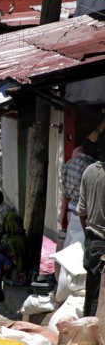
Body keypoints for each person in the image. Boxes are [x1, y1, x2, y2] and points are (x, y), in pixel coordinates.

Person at [78, 131, 105, 317]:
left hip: (93, 241)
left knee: (93, 293)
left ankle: (88, 332)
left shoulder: (89, 172)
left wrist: (88, 234)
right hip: (99, 241)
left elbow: (82, 212)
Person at [61, 138, 98, 248]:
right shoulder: (93, 167)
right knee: (82, 249)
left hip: (72, 210)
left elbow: (65, 194)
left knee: (71, 248)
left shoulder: (69, 163)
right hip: (85, 214)